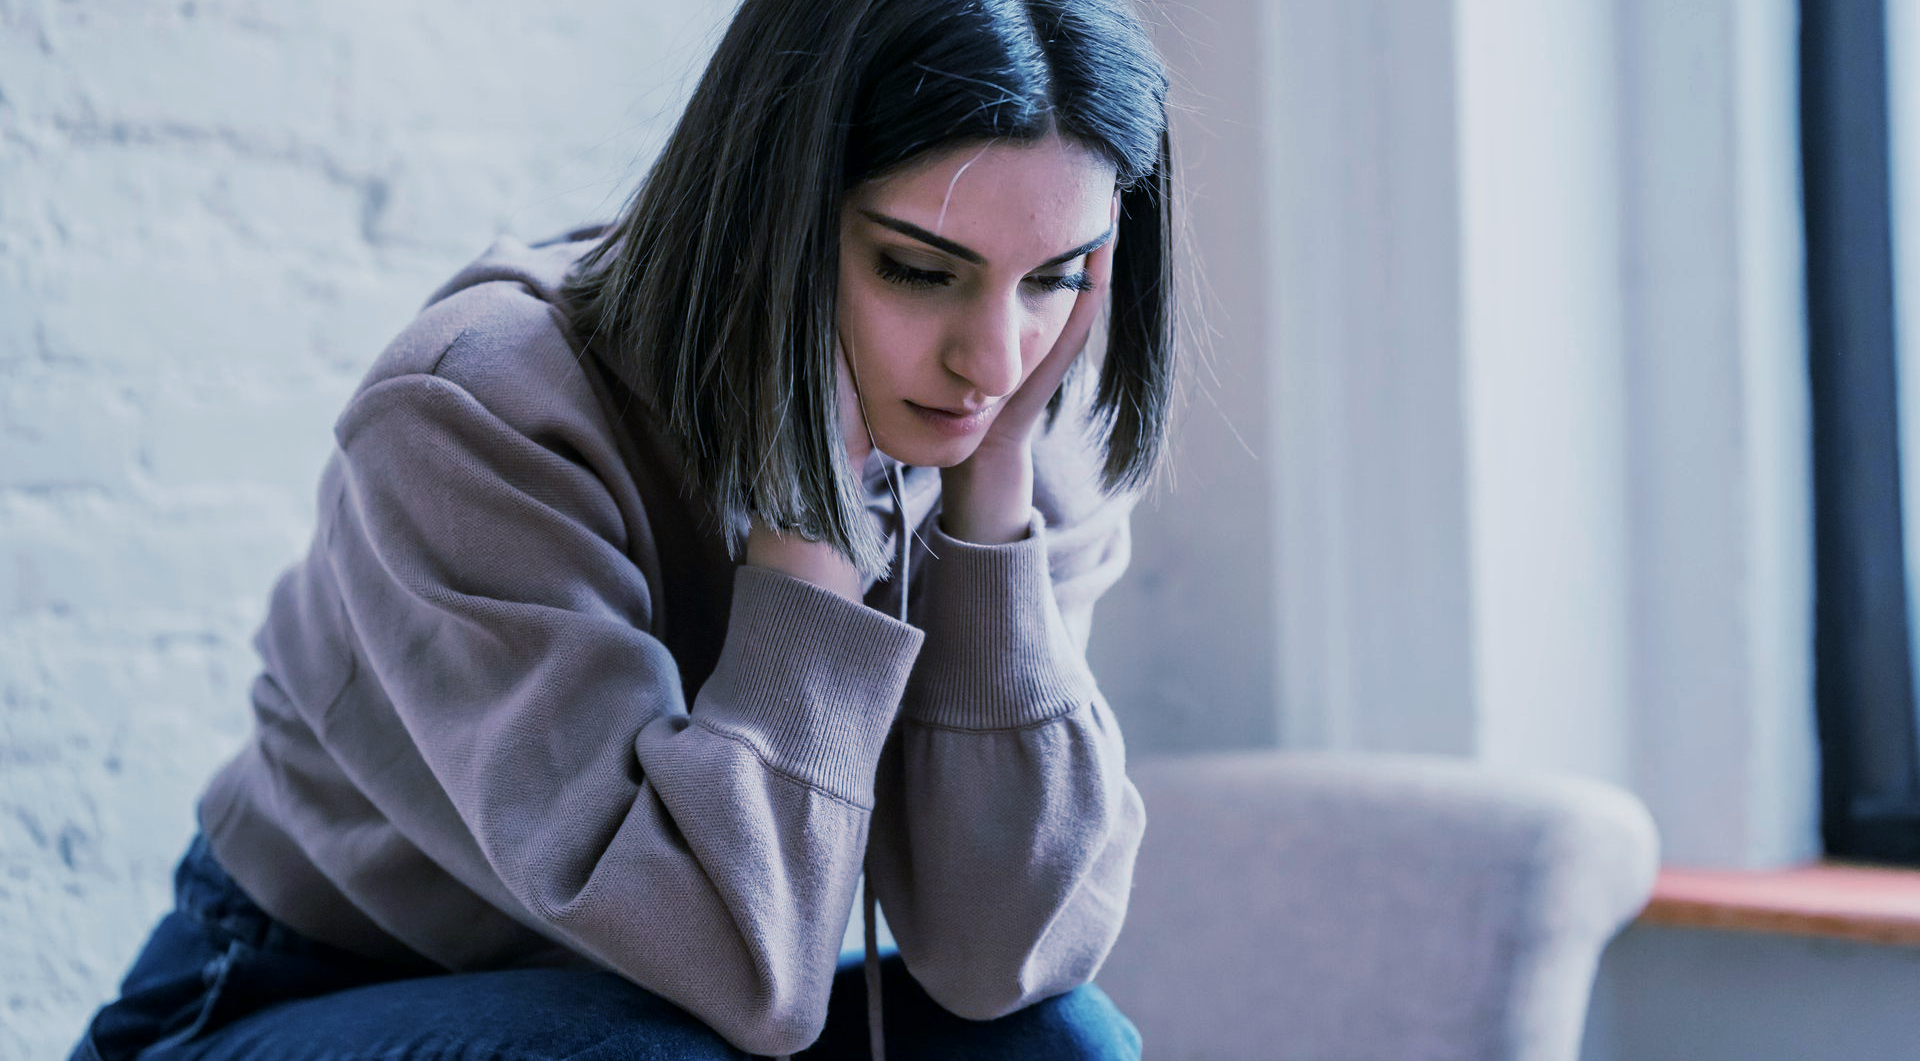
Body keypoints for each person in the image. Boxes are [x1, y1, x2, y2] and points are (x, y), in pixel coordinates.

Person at [68, 0, 1176, 1057]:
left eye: (1053, 279)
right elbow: (738, 968)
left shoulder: (1017, 436)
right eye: (919, 270)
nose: (996, 361)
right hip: (295, 989)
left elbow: (1002, 960)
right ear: (769, 210)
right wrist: (811, 518)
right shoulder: (477, 413)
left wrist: (992, 516)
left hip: (679, 1019)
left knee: (1059, 1042)